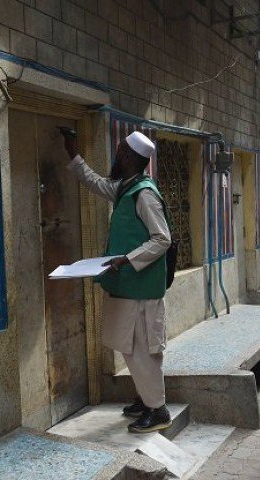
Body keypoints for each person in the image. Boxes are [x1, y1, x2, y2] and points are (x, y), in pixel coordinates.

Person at [60, 129, 172, 434]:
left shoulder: (145, 194)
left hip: (142, 290)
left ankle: (158, 409)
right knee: (129, 346)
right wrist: (73, 153)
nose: (116, 155)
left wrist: (128, 259)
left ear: (128, 157)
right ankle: (145, 398)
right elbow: (97, 183)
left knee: (142, 349)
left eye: (120, 151)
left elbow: (163, 239)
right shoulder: (127, 188)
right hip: (127, 288)